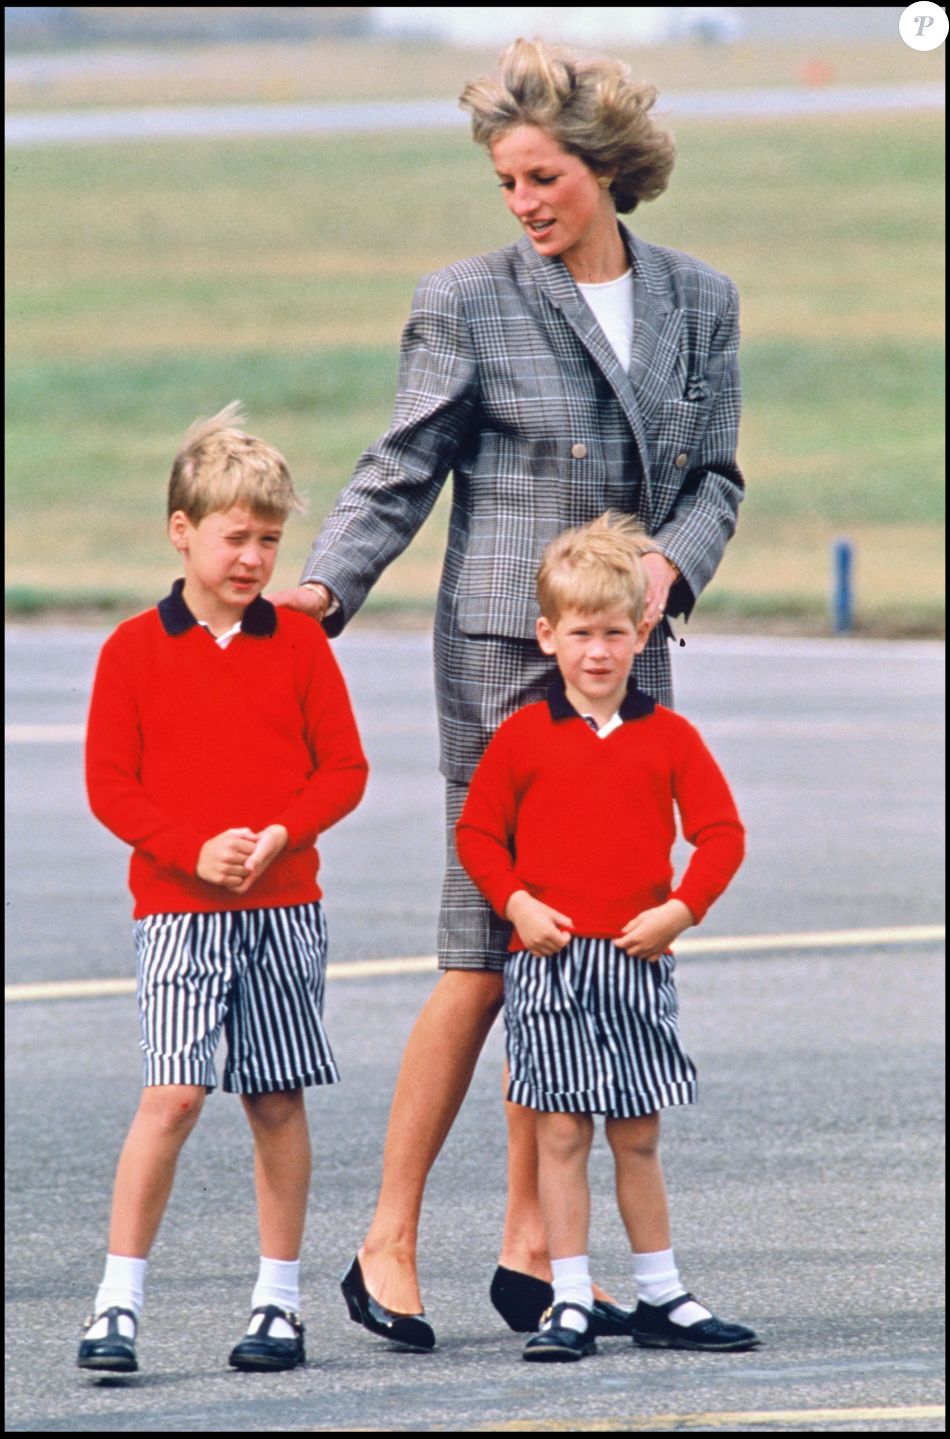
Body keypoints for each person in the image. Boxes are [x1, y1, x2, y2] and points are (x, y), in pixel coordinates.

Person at [270, 37, 744, 1349]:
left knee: (590, 941)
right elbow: (403, 461)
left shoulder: (698, 300)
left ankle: (538, 1247)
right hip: (498, 651)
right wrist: (323, 587)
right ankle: (387, 1237)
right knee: (487, 943)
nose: (525, 202)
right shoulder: (468, 300)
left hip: (625, 651)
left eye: (542, 177)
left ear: (601, 168)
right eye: (506, 183)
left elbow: (714, 475)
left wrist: (668, 562)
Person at [77, 404, 368, 1375]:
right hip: (176, 912)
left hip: (285, 909)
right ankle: (117, 1301)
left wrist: (283, 832)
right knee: (172, 1094)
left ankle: (277, 1301)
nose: (252, 558)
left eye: (270, 541)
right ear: (183, 531)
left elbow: (343, 770)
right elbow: (110, 785)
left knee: (276, 1098)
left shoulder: (297, 643)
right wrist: (190, 849)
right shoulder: (130, 650)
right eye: (235, 537)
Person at [457, 513, 758, 1361]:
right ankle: (569, 1297)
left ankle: (662, 1292)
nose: (598, 651)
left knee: (636, 1132)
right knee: (559, 1133)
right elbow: (478, 835)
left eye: (615, 632)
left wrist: (682, 908)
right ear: (548, 635)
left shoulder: (669, 737)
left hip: (633, 960)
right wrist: (514, 902)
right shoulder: (522, 738)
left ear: (643, 631)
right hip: (548, 966)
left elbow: (723, 833)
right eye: (581, 633)